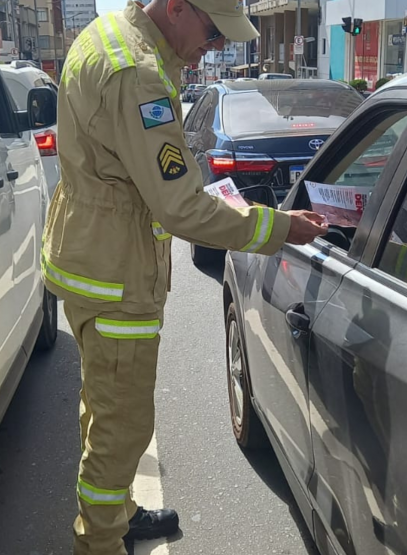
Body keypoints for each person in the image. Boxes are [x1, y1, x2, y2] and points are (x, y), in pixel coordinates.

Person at [41, 1, 329, 554]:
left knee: (104, 408)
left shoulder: (109, 35)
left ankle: (117, 514)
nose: (218, 45)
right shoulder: (138, 74)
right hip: (116, 275)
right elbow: (181, 210)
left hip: (89, 259)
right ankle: (99, 542)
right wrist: (279, 227)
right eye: (213, 30)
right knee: (122, 425)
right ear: (175, 7)